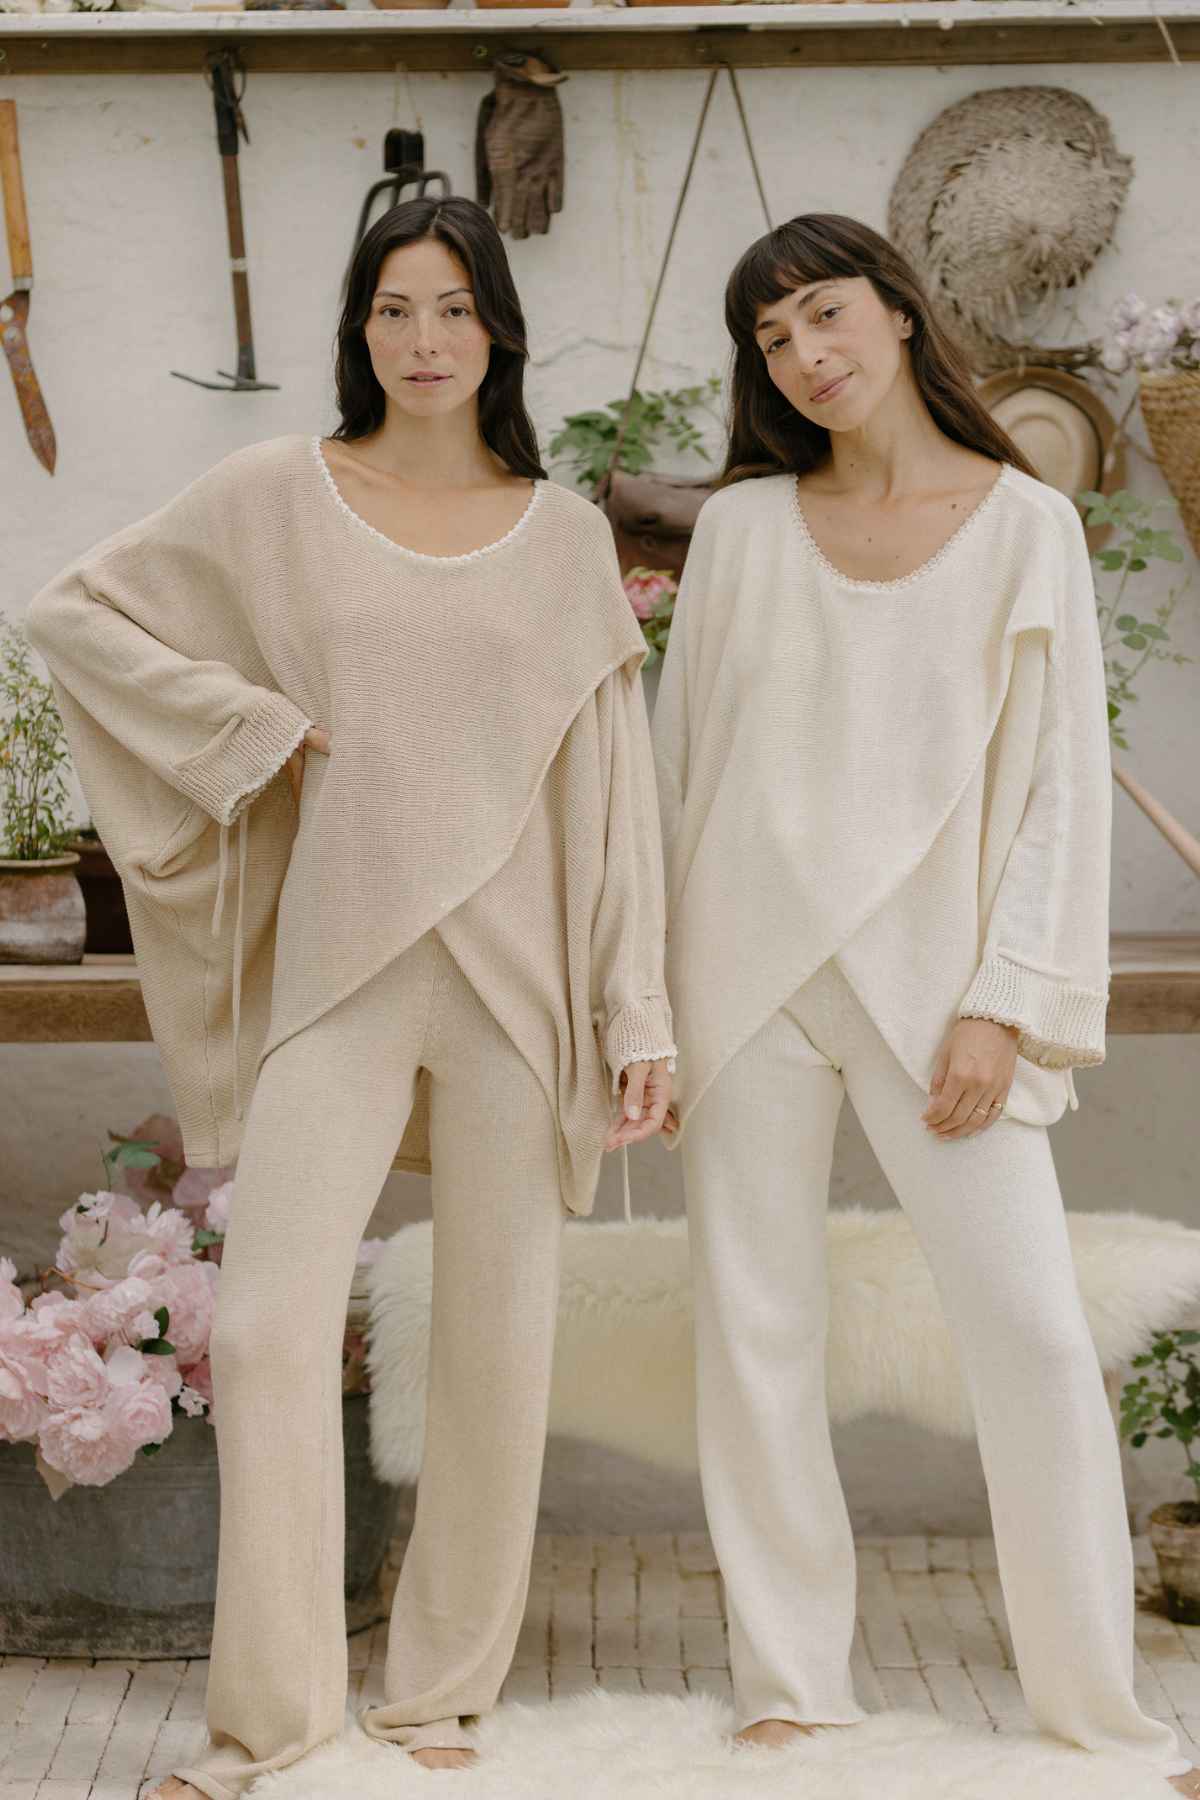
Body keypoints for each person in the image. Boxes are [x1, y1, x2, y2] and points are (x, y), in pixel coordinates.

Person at [24, 194, 676, 1797]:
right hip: (343, 964)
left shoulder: (566, 533)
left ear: (499, 329)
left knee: (495, 1344)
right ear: (358, 330)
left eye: (454, 308)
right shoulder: (278, 494)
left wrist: (638, 1006)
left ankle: (445, 1692)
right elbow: (70, 615)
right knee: (260, 1337)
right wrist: (248, 727)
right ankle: (271, 1722)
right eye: (394, 309)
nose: (425, 339)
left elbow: (614, 784)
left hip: (521, 987)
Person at [651, 211, 1197, 1791]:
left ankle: (1100, 1711)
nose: (805, 357)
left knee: (1027, 1337)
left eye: (825, 315)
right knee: (755, 1335)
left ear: (896, 312)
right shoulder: (745, 530)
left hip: (939, 988)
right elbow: (682, 772)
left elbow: (1052, 799)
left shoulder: (1025, 523)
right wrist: (653, 1009)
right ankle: (790, 1688)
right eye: (771, 340)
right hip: (744, 968)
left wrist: (1007, 1000)